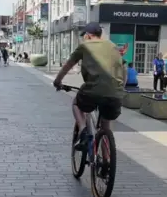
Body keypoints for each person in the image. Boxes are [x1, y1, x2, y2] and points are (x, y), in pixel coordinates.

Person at [53, 22, 125, 151]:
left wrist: (58, 81)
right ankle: (106, 161)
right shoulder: (113, 46)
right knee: (106, 125)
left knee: (76, 103)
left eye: (85, 35)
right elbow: (122, 68)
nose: (84, 37)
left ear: (89, 35)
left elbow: (68, 65)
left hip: (92, 91)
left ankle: (82, 130)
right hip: (115, 94)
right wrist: (120, 88)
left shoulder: (84, 46)